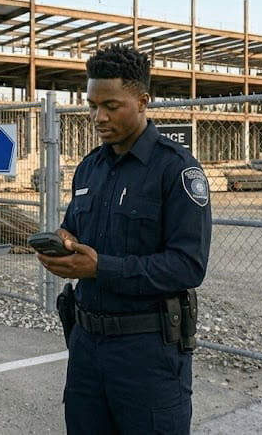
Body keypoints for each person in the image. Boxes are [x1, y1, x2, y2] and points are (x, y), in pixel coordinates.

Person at [37, 45, 212, 434]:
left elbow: (188, 265)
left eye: (111, 105)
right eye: (92, 105)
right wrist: (64, 240)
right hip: (86, 349)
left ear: (142, 100)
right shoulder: (89, 168)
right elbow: (75, 229)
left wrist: (101, 267)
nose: (98, 116)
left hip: (147, 355)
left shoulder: (176, 170)